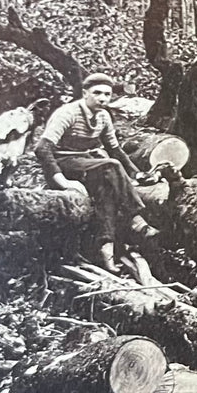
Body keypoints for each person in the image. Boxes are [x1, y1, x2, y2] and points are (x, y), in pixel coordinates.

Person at [34, 72, 153, 272]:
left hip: (86, 163)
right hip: (63, 163)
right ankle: (135, 218)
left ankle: (105, 251)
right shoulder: (68, 113)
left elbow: (115, 149)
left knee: (106, 193)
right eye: (97, 93)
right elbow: (42, 149)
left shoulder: (104, 116)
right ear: (85, 93)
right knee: (111, 165)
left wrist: (136, 174)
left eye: (107, 94)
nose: (102, 98)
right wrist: (63, 182)